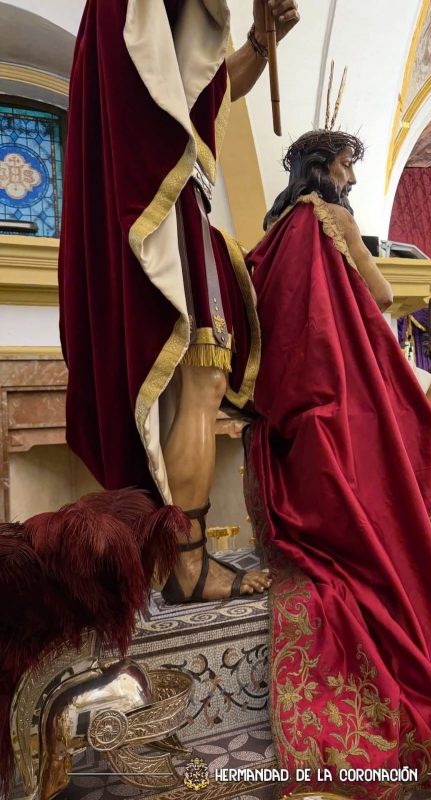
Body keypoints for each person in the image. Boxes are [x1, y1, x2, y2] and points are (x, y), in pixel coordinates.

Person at [243, 129, 431, 796]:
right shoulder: (330, 216)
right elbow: (384, 295)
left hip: (298, 404)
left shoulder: (276, 229)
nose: (353, 179)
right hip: (343, 391)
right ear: (323, 169)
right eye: (346, 166)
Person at [59, 0, 299, 603]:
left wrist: (260, 40)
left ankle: (177, 560)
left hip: (168, 204)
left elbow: (203, 88)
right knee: (202, 381)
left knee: (191, 387)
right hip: (168, 205)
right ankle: (189, 568)